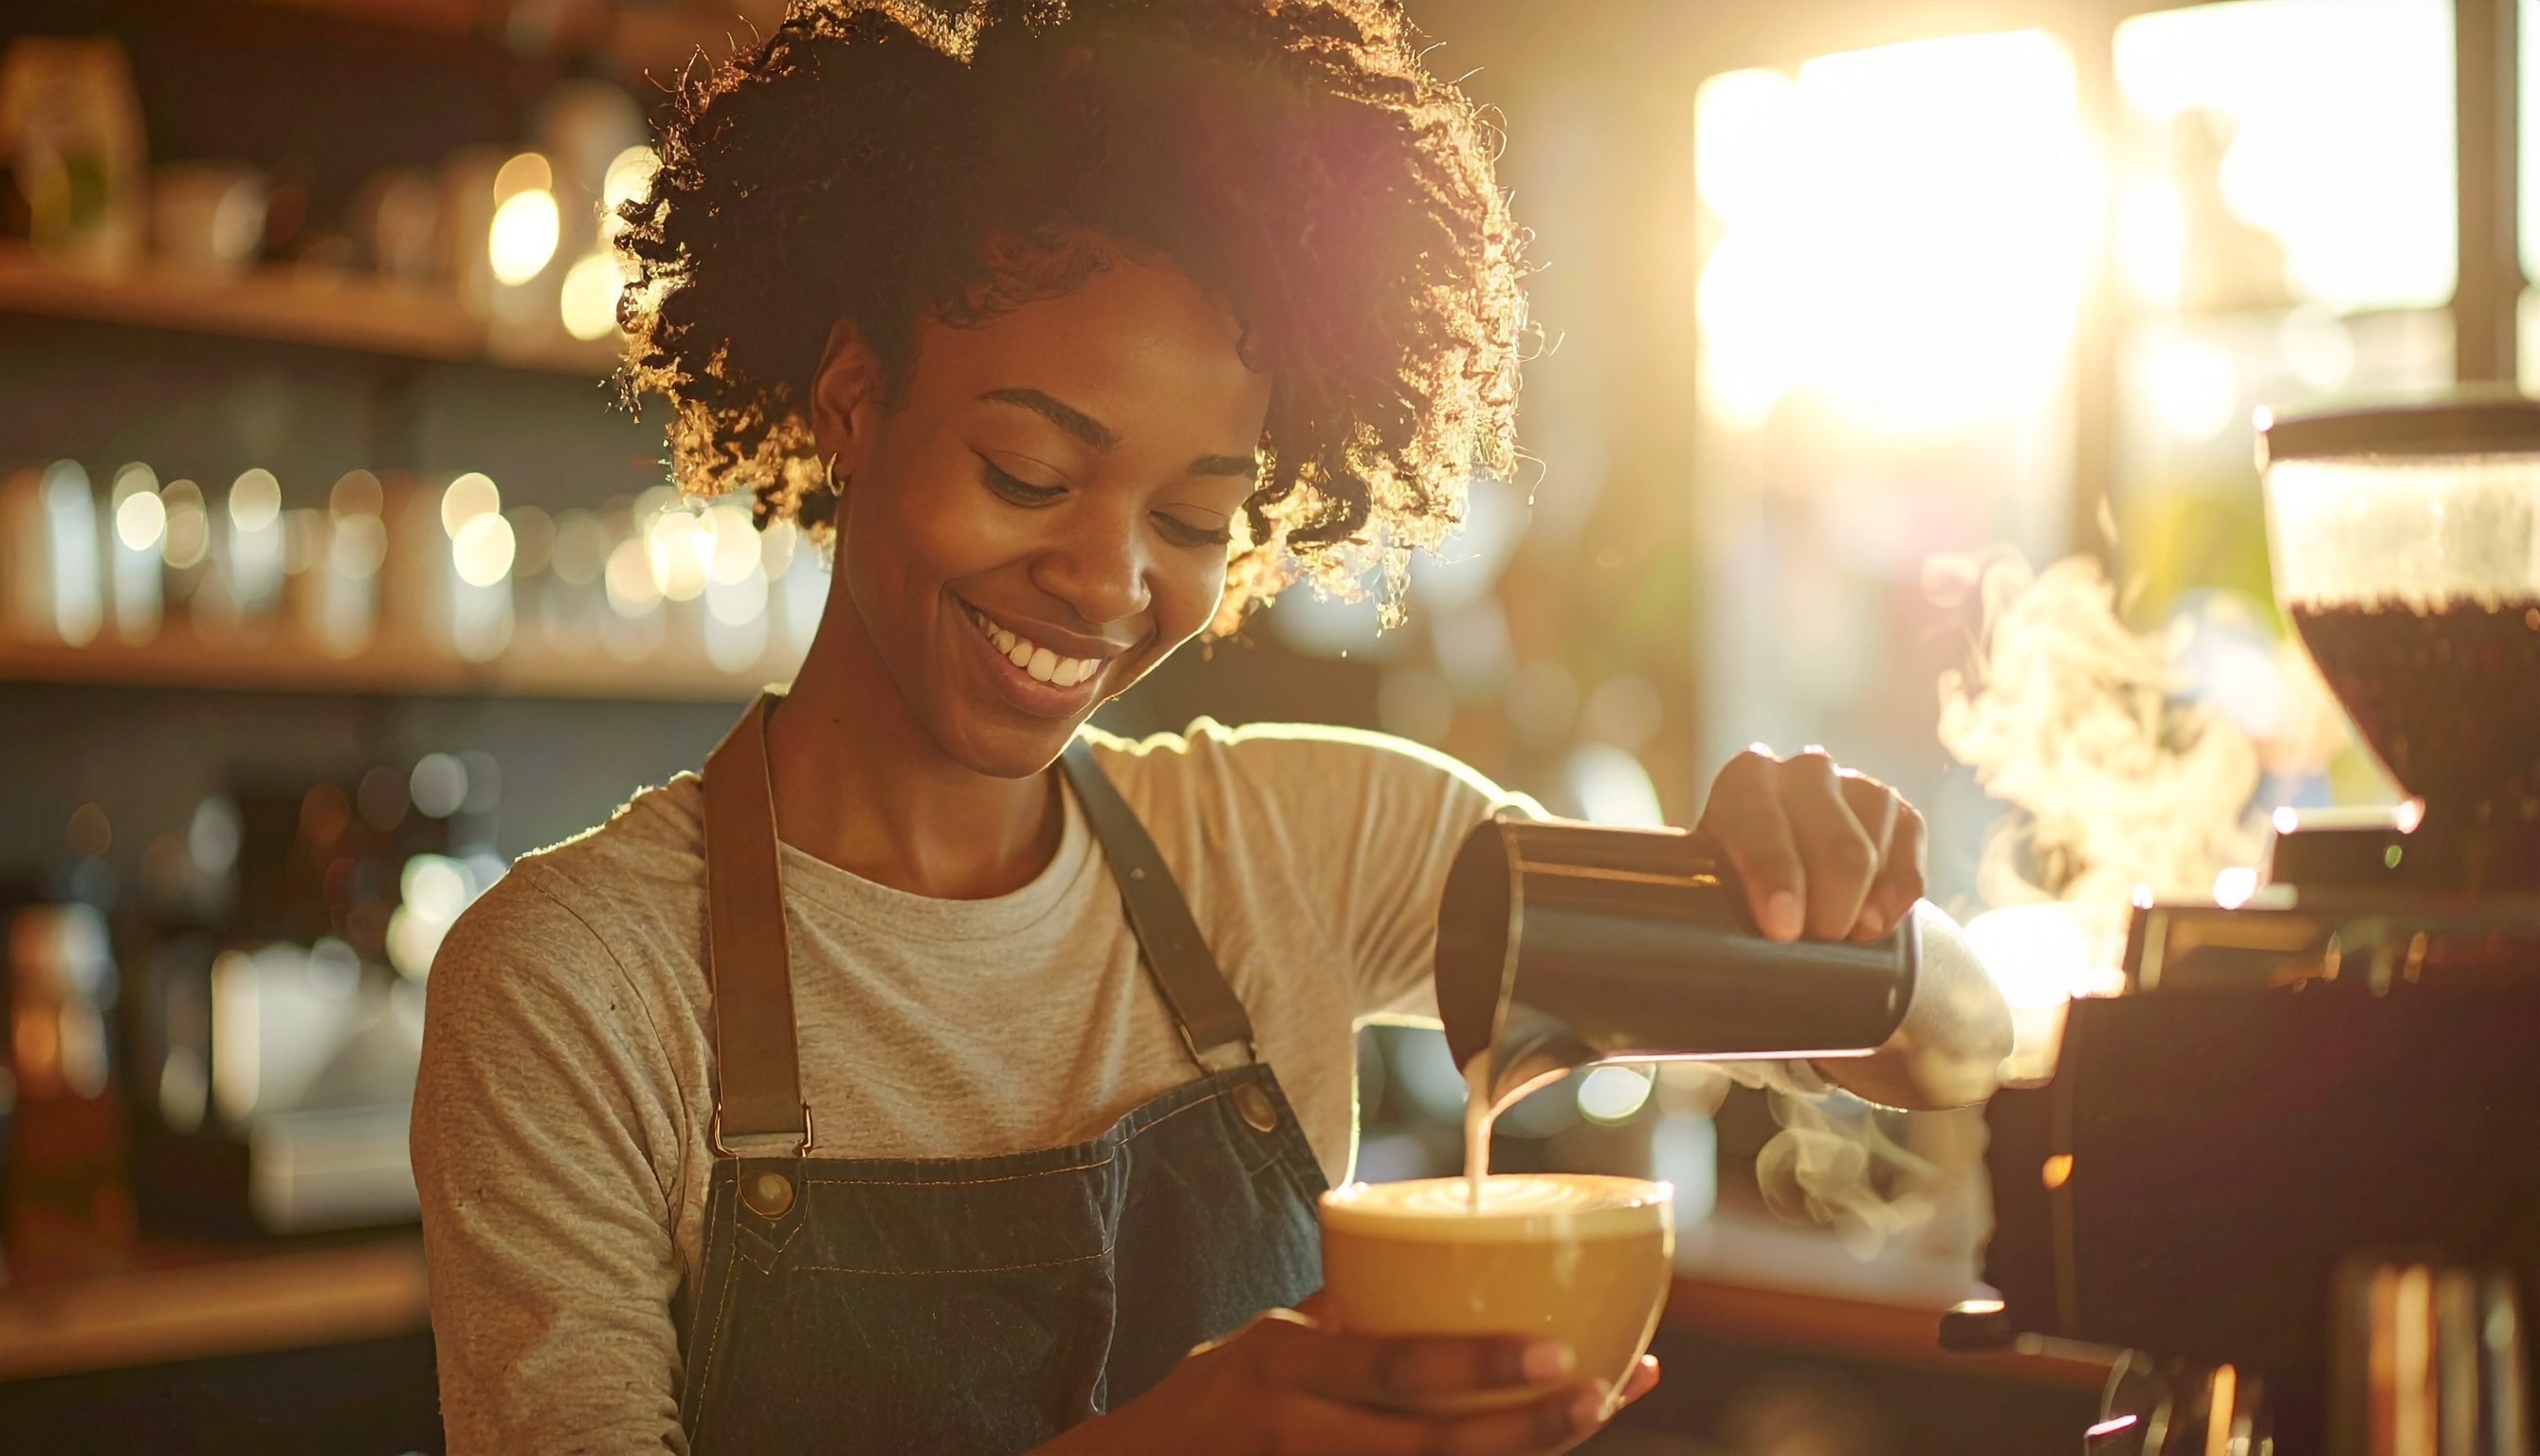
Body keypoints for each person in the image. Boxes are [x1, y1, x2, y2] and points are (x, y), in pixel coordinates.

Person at [410, 4, 2009, 1453]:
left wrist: (1833, 884)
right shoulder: (577, 987)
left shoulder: (1302, 850)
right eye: (1028, 475)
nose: (1109, 581)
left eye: (1189, 516)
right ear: (851, 401)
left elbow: (1954, 1045)